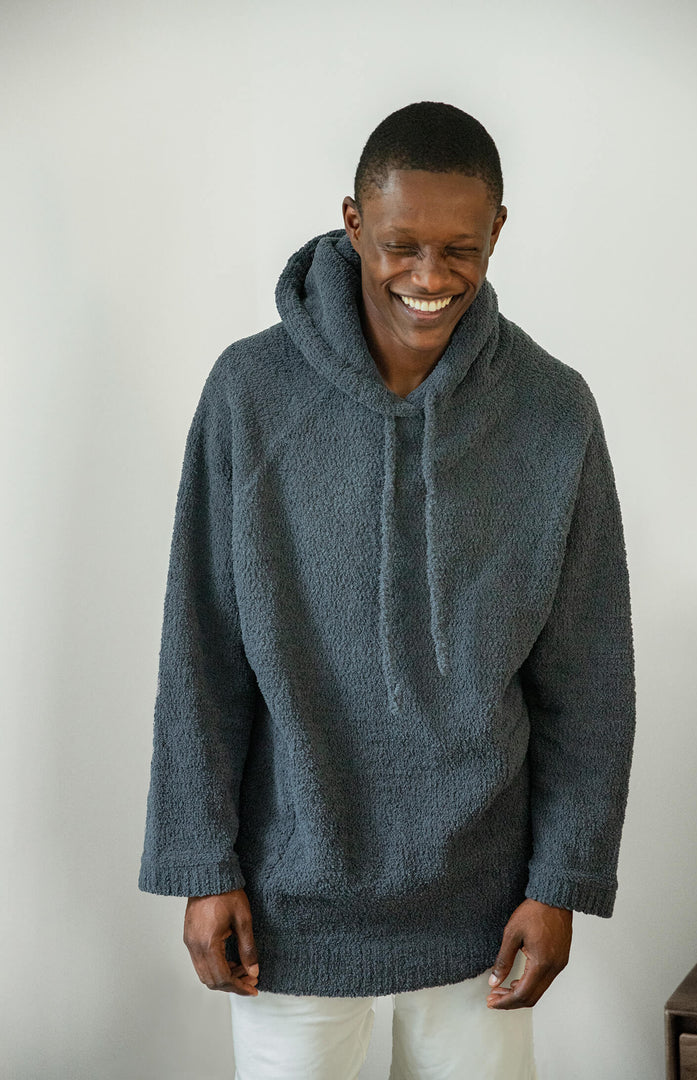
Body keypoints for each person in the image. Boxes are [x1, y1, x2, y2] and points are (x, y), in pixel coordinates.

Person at [138, 101, 636, 1079]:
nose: (430, 276)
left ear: (498, 231)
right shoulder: (250, 393)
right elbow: (199, 648)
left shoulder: (552, 410)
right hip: (289, 902)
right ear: (354, 222)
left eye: (460, 248)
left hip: (485, 907)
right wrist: (201, 863)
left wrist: (562, 881)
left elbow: (588, 675)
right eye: (402, 244)